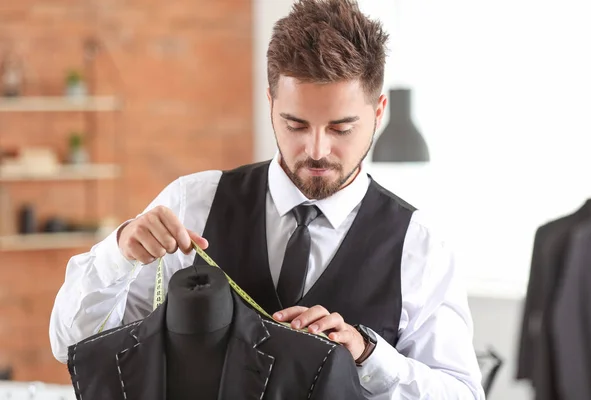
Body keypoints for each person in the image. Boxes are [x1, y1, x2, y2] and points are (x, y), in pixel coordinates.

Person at [49, 0, 484, 399]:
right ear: (271, 101)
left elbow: (462, 394)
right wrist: (119, 255)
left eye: (340, 129)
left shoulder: (419, 245)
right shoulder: (191, 203)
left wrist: (369, 356)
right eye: (296, 124)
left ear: (378, 111)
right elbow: (71, 344)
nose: (316, 150)